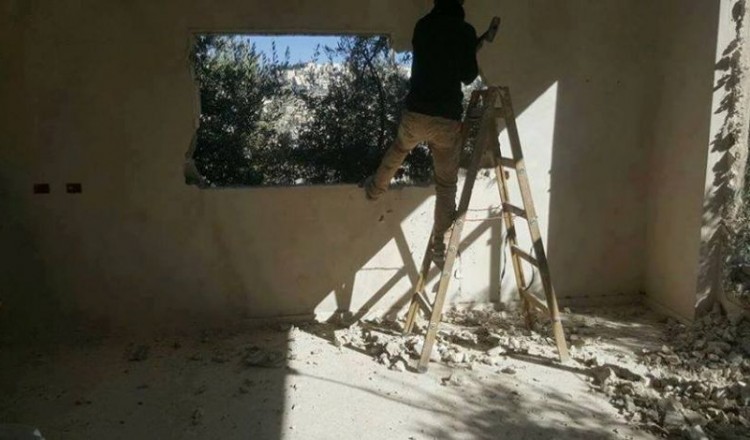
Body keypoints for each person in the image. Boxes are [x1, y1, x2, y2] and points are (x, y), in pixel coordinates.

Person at [364, 0, 482, 265]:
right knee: (446, 185)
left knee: (399, 149)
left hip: (416, 112)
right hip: (446, 119)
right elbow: (468, 75)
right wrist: (470, 49)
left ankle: (375, 189)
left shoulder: (423, 26)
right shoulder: (465, 31)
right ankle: (441, 243)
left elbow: (433, 58)